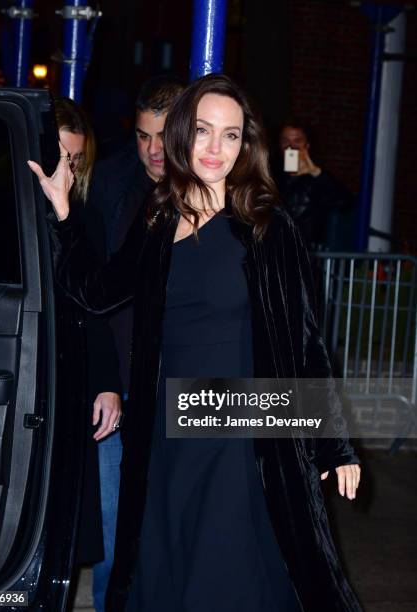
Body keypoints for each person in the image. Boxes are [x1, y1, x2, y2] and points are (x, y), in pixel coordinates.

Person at [29, 74, 362, 612]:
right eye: (204, 131)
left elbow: (304, 340)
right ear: (181, 134)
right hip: (164, 426)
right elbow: (97, 292)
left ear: (245, 144)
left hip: (237, 424)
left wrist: (333, 442)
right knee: (165, 570)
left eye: (231, 136)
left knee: (227, 576)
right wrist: (65, 213)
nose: (215, 148)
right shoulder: (159, 218)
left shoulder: (266, 226)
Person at [86, 76, 184, 611]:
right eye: (143, 136)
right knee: (112, 523)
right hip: (120, 392)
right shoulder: (111, 186)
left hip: (182, 393)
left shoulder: (211, 194)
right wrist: (106, 382)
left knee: (174, 524)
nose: (151, 150)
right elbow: (95, 296)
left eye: (161, 137)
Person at [53, 98, 122, 608]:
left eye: (74, 160)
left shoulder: (87, 219)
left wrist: (106, 382)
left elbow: (96, 307)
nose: (66, 170)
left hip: (72, 376)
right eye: (58, 155)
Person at [275, 118, 354, 249]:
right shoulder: (271, 175)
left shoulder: (317, 179)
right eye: (285, 141)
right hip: (276, 252)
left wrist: (316, 172)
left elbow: (345, 202)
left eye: (297, 141)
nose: (291, 147)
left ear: (307, 145)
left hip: (307, 254)